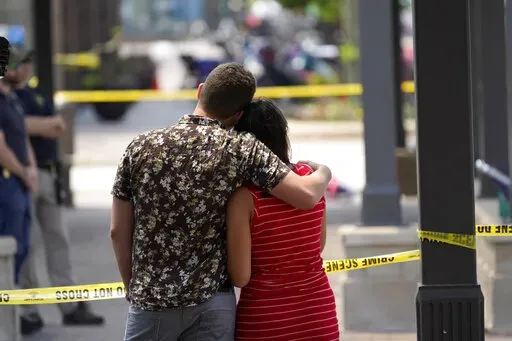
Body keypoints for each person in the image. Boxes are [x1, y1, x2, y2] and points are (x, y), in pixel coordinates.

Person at [110, 62, 332, 341]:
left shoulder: (139, 147)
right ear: (238, 115)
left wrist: (134, 287)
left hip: (151, 302)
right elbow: (307, 195)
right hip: (212, 304)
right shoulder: (241, 149)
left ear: (200, 90)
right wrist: (324, 172)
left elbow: (117, 230)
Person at [9, 49, 104, 336]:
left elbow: (57, 126)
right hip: (21, 175)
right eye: (17, 64)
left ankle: (70, 306)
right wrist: (42, 126)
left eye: (26, 63)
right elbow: (20, 126)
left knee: (58, 241)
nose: (24, 68)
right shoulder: (8, 98)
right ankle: (29, 310)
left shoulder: (37, 96)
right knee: (28, 246)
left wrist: (38, 126)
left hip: (48, 174)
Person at [228, 98, 339, 341]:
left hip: (265, 320)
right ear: (282, 135)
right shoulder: (309, 179)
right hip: (318, 315)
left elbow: (240, 276)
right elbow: (317, 247)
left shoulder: (245, 198)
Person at [0, 50, 38, 288]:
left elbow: (22, 138)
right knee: (9, 247)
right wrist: (24, 173)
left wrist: (31, 168)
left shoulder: (13, 100)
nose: (20, 69)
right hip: (7, 182)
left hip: (20, 181)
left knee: (21, 247)